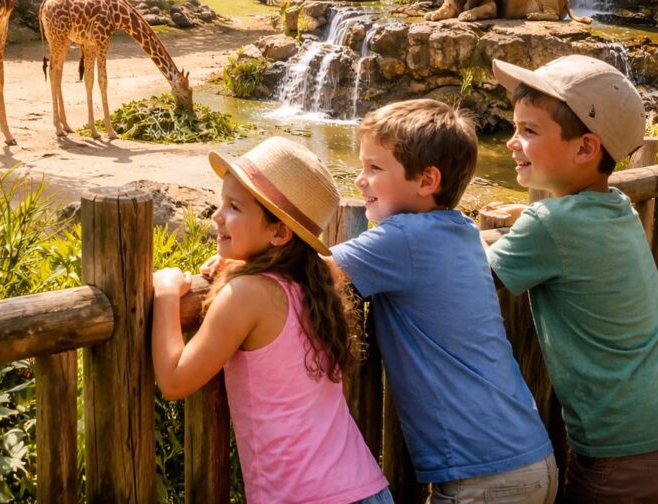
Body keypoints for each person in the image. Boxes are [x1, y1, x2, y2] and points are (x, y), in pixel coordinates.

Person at [328, 99, 557, 504]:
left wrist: (247, 255)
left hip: (482, 477)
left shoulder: (403, 237)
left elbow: (316, 272)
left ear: (427, 180)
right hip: (530, 458)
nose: (360, 179)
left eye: (375, 168)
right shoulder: (462, 229)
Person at [152, 136, 392, 504]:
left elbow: (174, 380)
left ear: (280, 232)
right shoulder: (314, 283)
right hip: (366, 488)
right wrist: (240, 263)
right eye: (222, 202)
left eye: (234, 207)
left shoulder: (247, 295)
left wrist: (166, 293)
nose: (217, 216)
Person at [486, 55, 658, 504]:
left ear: (585, 148)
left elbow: (477, 278)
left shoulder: (549, 223)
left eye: (529, 131)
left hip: (615, 446)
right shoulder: (617, 204)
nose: (511, 143)